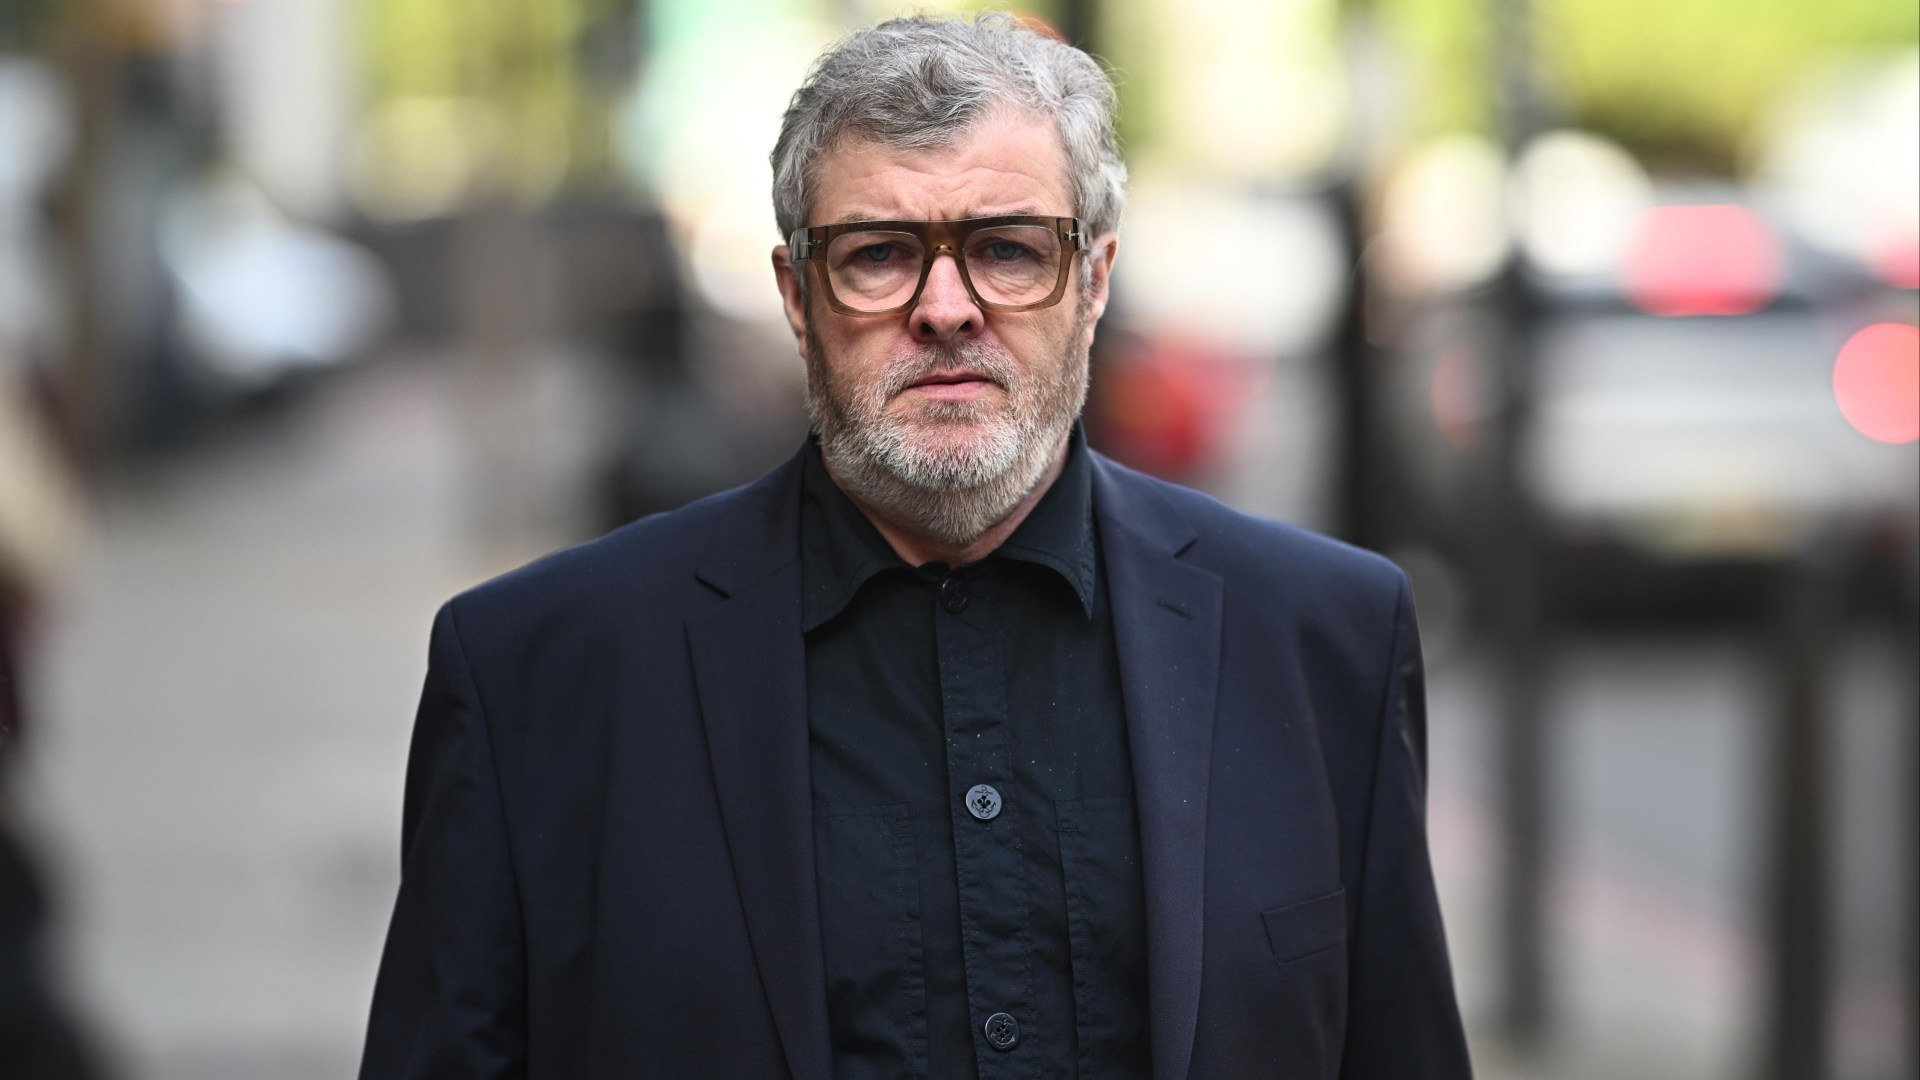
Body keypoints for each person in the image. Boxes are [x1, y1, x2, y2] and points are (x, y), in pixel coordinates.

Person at [360, 13, 1470, 1080]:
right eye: (880, 254)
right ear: (798, 295)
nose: (947, 307)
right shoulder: (533, 677)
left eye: (1008, 249)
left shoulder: (1328, 640)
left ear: (1094, 282)